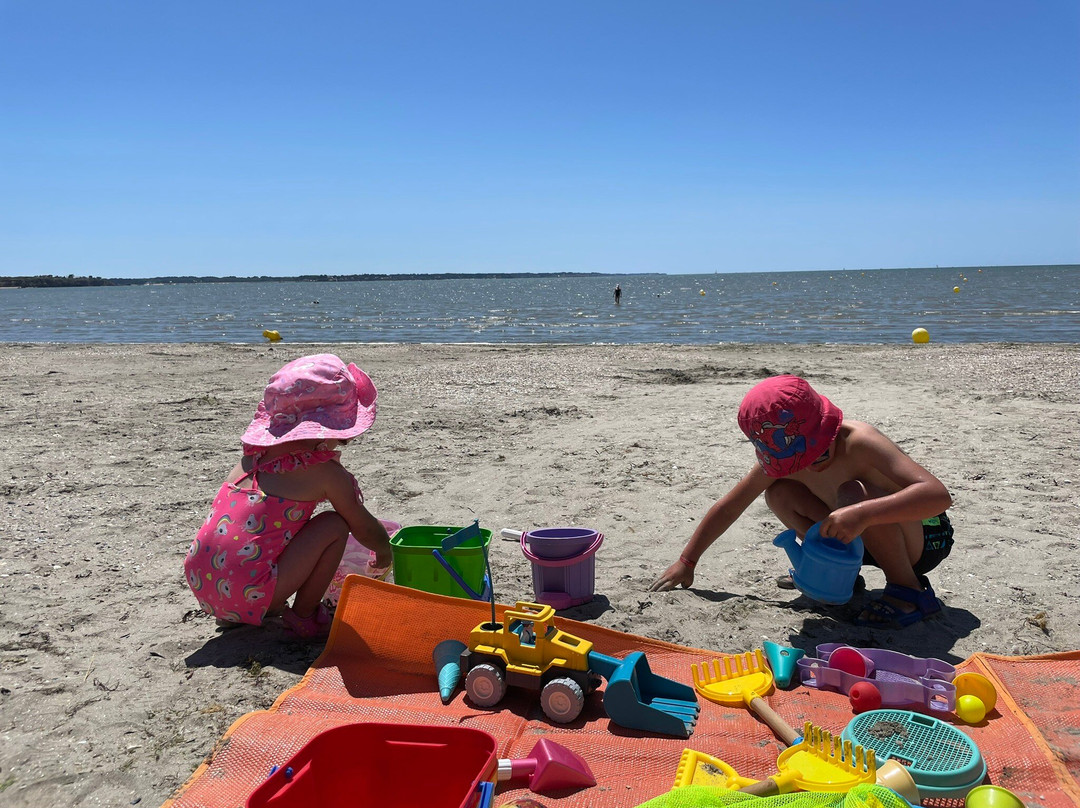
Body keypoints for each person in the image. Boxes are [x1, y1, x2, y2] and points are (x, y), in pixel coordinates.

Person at [649, 374, 954, 628]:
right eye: (799, 460)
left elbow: (937, 496)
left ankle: (909, 591)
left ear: (828, 428)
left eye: (818, 451)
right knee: (779, 492)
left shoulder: (860, 441)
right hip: (859, 538)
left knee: (857, 494)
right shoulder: (786, 461)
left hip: (924, 537)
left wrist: (863, 513)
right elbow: (730, 506)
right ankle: (838, 575)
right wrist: (687, 561)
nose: (812, 463)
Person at [184, 353, 393, 638]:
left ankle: (236, 613)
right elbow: (364, 527)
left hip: (205, 583)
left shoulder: (253, 458)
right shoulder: (325, 473)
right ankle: (304, 615)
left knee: (276, 527)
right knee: (335, 524)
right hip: (249, 590)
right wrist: (384, 549)